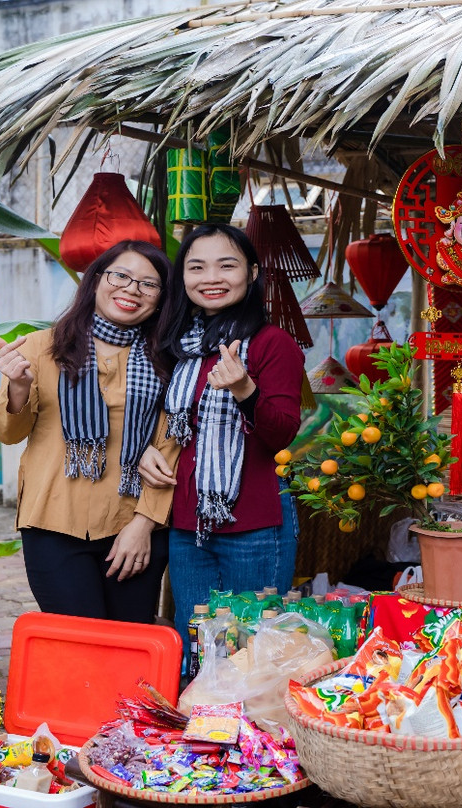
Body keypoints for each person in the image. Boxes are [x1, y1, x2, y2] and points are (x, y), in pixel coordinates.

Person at [138, 224, 304, 654]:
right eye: (197, 267)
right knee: (195, 641)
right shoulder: (178, 347)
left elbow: (282, 432)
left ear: (251, 273)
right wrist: (145, 449)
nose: (211, 277)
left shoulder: (272, 344)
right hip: (187, 523)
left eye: (226, 265)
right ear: (183, 279)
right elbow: (159, 423)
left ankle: (247, 723)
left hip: (255, 523)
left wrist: (245, 390)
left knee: (250, 643)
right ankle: (204, 721)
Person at [0, 240, 174, 623]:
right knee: (78, 642)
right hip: (52, 522)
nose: (131, 289)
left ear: (161, 299)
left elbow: (170, 448)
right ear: (95, 282)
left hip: (132, 523)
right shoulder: (41, 348)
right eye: (120, 276)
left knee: (129, 642)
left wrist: (144, 524)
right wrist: (19, 387)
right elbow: (9, 433)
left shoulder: (166, 359)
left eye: (148, 284)